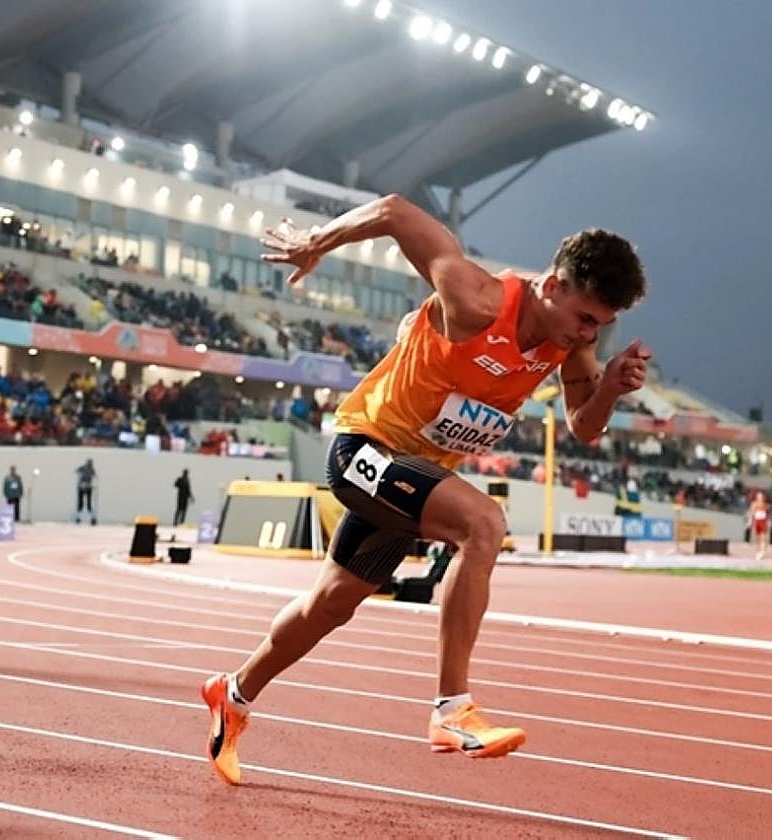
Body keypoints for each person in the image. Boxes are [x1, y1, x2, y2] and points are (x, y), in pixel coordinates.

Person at [201, 195, 649, 784]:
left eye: (602, 326)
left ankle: (231, 696)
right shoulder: (475, 299)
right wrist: (315, 243)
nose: (589, 335)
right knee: (482, 524)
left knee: (329, 605)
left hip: (413, 473)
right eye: (586, 318)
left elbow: (583, 427)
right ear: (553, 285)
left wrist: (610, 389)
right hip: (365, 447)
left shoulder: (572, 345)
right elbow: (392, 211)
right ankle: (451, 709)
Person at [747, 490, 769, 560]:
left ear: (763, 497)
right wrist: (750, 521)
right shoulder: (754, 504)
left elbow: (767, 515)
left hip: (763, 521)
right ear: (756, 497)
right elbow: (752, 513)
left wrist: (768, 522)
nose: (760, 497)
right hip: (757, 521)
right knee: (757, 538)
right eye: (758, 496)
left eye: (761, 496)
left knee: (763, 537)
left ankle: (762, 552)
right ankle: (758, 551)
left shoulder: (765, 505)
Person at [75, 458, 96, 524]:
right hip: (82, 487)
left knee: (87, 504)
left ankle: (91, 518)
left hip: (87, 487)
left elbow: (94, 476)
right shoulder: (85, 468)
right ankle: (78, 518)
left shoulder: (91, 469)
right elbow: (77, 471)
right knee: (82, 503)